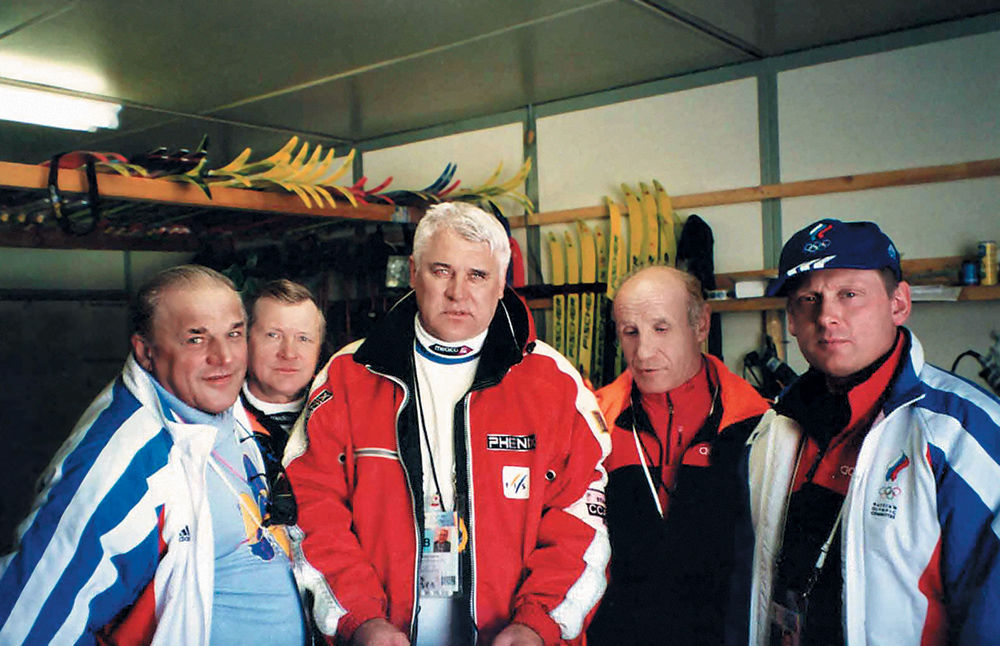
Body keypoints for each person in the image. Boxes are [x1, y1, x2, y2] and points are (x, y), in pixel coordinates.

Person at [284, 202, 611, 646]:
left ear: (501, 283)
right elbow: (312, 508)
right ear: (413, 272)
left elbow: (581, 523)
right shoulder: (348, 376)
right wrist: (359, 619)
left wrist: (538, 624)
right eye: (442, 271)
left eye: (477, 275)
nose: (458, 292)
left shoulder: (556, 384)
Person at [0, 265, 306, 645]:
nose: (224, 357)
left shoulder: (223, 408)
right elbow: (24, 626)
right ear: (146, 352)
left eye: (233, 334)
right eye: (196, 339)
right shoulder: (124, 463)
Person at [734, 219, 1000, 644]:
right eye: (809, 299)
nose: (827, 316)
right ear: (792, 320)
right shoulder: (771, 430)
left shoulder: (966, 434)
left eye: (849, 294)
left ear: (899, 304)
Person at [586, 265, 770, 646]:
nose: (643, 352)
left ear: (701, 325)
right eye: (630, 332)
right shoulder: (593, 424)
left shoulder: (760, 425)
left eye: (661, 328)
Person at [242, 278, 326, 525]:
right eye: (273, 335)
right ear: (245, 341)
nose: (288, 353)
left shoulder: (342, 414)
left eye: (303, 339)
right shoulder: (216, 417)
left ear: (319, 348)